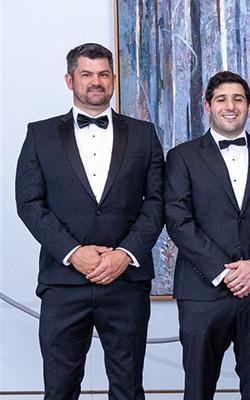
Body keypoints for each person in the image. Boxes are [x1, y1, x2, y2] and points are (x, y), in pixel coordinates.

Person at [15, 42, 164, 400]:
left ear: (113, 79)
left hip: (125, 282)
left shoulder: (144, 134)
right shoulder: (40, 134)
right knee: (60, 389)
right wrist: (72, 252)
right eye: (86, 74)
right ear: (70, 80)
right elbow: (30, 203)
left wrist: (124, 254)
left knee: (128, 388)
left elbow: (157, 202)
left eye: (103, 74)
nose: (95, 81)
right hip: (63, 282)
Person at [164, 71, 250, 399]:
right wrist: (224, 272)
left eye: (238, 99)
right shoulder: (182, 156)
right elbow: (178, 220)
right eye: (221, 99)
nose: (230, 106)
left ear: (249, 106)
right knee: (199, 389)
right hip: (202, 291)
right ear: (207, 106)